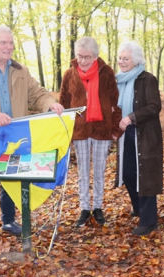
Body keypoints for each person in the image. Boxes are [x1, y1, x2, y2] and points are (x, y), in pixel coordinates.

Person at [0, 24, 63, 247]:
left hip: (14, 138)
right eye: (3, 43)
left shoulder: (20, 70)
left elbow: (37, 93)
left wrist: (50, 104)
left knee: (10, 182)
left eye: (10, 43)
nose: (8, 47)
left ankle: (9, 221)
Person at [59, 37, 122, 227]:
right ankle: (84, 208)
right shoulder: (69, 75)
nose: (84, 61)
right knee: (83, 171)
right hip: (80, 130)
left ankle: (98, 207)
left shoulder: (107, 72)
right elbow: (63, 103)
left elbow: (114, 101)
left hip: (102, 129)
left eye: (88, 57)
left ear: (95, 56)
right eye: (80, 56)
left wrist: (114, 129)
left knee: (100, 170)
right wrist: (65, 130)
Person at [115, 41, 163, 236]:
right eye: (119, 58)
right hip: (125, 134)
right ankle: (139, 207)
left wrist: (131, 118)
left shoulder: (147, 79)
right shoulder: (118, 80)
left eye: (126, 58)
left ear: (136, 60)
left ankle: (149, 220)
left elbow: (154, 106)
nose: (121, 62)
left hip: (144, 134)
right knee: (127, 173)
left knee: (144, 175)